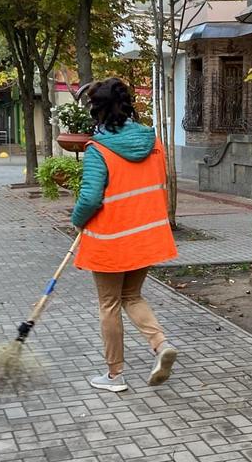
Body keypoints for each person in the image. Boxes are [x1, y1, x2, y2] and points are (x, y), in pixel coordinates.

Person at [71, 77, 178, 393]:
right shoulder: (153, 142)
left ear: (98, 112)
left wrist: (77, 221)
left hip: (110, 241)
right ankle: (160, 345)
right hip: (144, 236)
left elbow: (90, 198)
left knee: (109, 304)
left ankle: (114, 376)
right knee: (131, 295)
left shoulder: (99, 149)